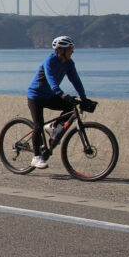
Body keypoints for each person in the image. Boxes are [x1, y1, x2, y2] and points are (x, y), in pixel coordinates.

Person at [26, 35, 92, 169]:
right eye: (70, 49)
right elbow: (52, 82)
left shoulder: (69, 63)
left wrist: (84, 97)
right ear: (61, 50)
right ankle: (36, 157)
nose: (72, 51)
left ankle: (53, 126)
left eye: (72, 49)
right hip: (36, 96)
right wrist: (62, 94)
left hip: (49, 96)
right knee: (38, 126)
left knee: (70, 107)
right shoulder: (49, 61)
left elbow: (76, 80)